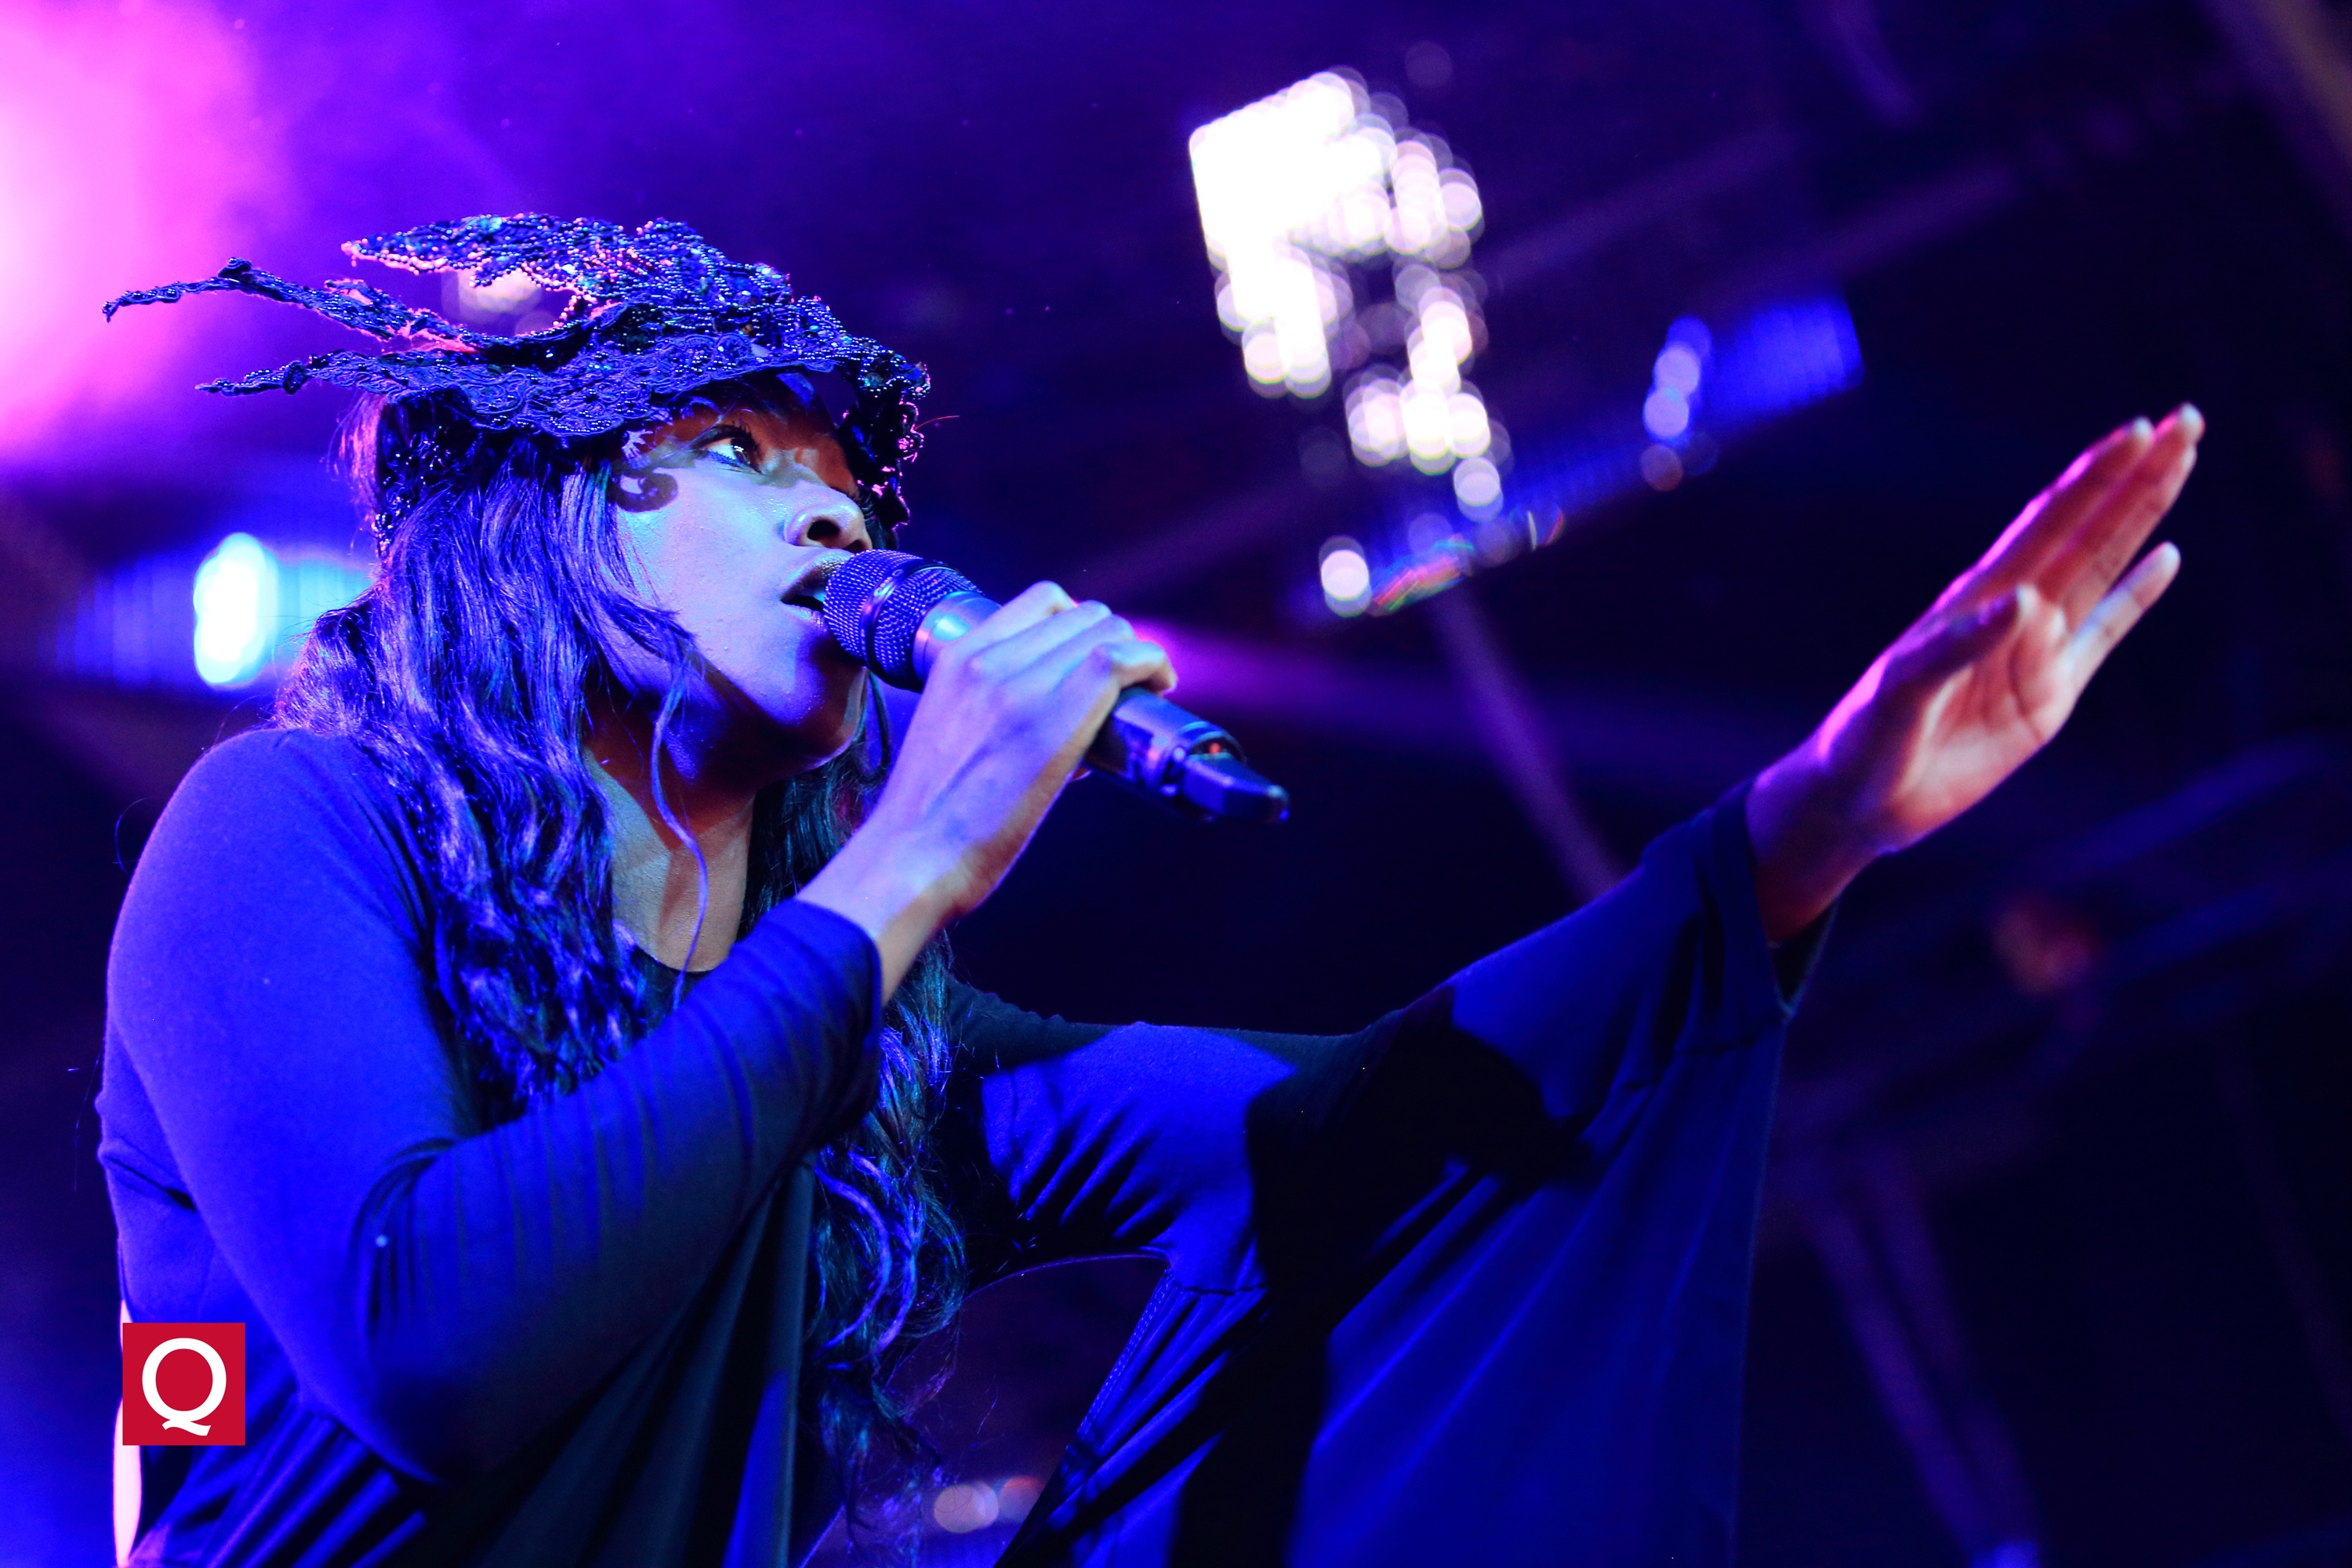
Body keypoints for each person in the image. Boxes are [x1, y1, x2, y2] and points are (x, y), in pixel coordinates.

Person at [95, 215, 2198, 1568]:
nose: (831, 515)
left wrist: (1802, 832)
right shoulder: (283, 833)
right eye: (736, 451)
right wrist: (910, 868)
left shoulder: (884, 1057)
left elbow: (1388, 1136)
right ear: (541, 519)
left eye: (843, 474)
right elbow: (433, 1341)